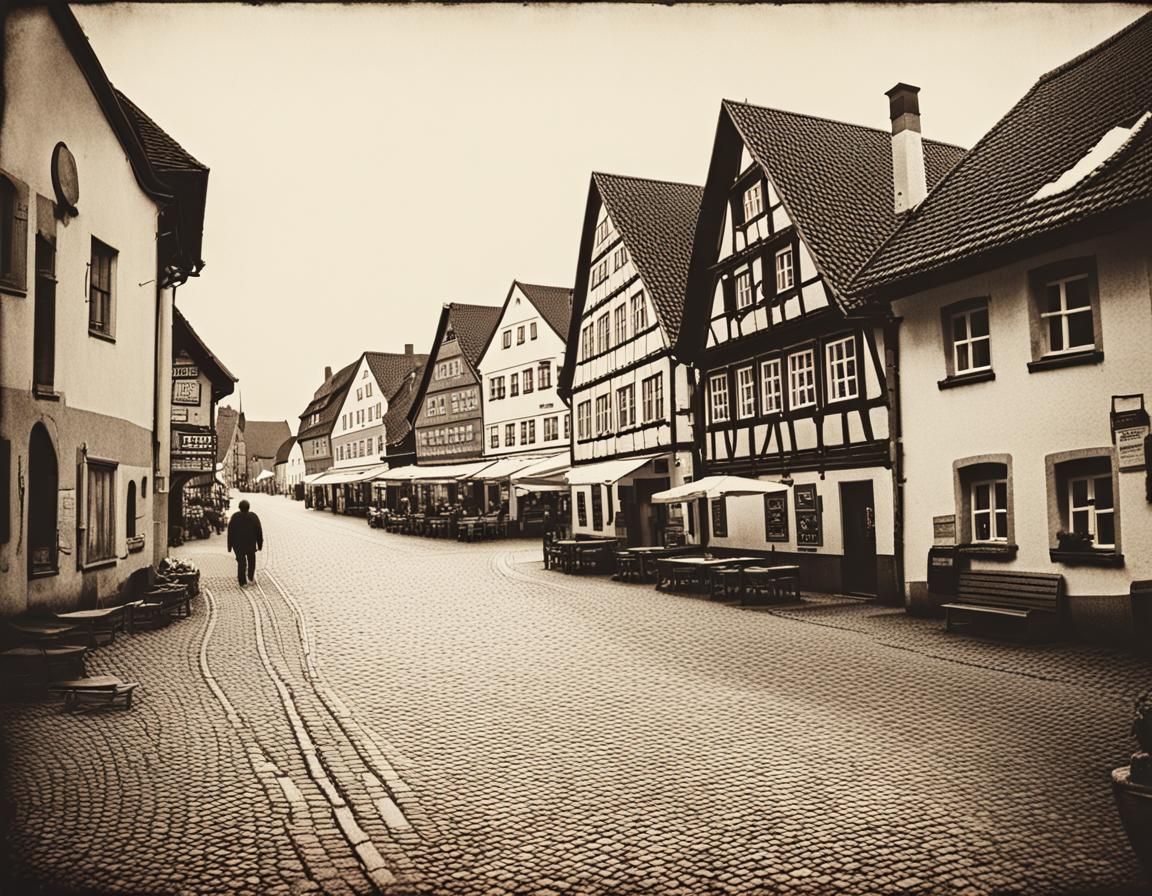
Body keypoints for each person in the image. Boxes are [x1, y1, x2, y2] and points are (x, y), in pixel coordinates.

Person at [227, 499, 264, 587]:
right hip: (250, 544)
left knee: (241, 563)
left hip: (238, 545)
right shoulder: (254, 516)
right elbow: (259, 532)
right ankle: (250, 577)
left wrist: (229, 546)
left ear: (239, 507)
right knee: (251, 561)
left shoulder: (235, 517)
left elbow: (230, 532)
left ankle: (242, 582)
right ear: (248, 507)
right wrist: (260, 545)